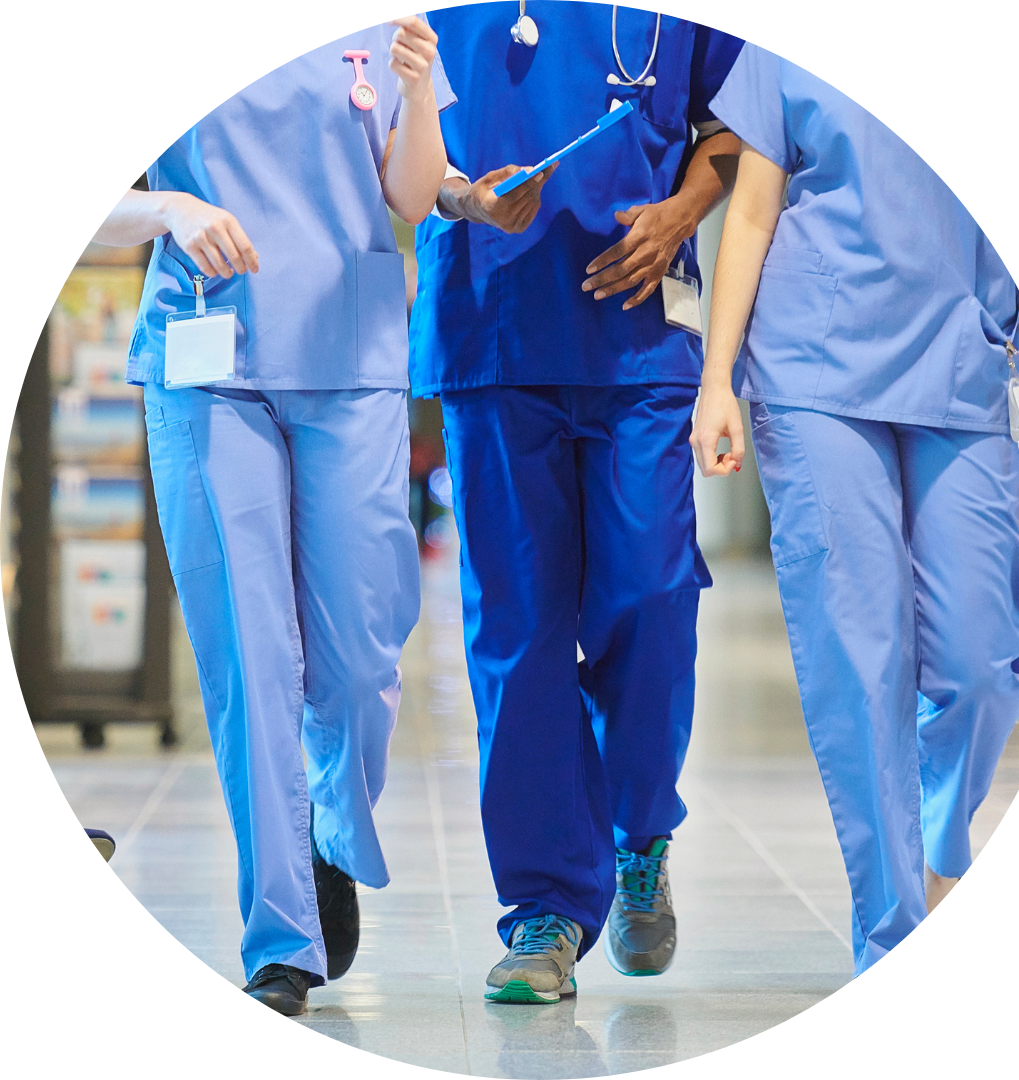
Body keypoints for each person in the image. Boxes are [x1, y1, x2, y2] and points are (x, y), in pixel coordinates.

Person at [93, 17, 455, 1015]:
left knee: (360, 657)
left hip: (351, 355)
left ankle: (328, 819)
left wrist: (417, 93)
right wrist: (168, 207)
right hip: (208, 360)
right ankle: (282, 935)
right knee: (251, 661)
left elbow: (411, 195)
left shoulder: (384, 24)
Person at [410, 3, 744, 1002]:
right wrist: (467, 198)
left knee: (653, 592)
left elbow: (735, 125)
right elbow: (395, 148)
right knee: (518, 632)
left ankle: (640, 831)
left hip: (641, 339)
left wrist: (682, 211)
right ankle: (546, 908)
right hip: (492, 328)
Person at [692, 42, 1019, 974]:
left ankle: (935, 845)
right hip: (815, 365)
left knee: (981, 662)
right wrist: (717, 380)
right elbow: (752, 208)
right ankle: (891, 940)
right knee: (859, 656)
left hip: (964, 359)